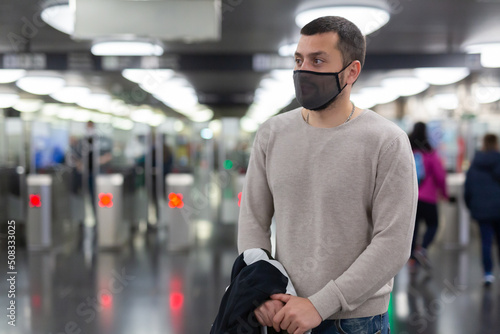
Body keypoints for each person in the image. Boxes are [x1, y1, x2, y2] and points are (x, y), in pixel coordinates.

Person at [238, 16, 417, 334]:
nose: (303, 70)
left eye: (317, 60)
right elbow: (253, 220)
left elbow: (393, 243)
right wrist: (259, 290)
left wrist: (321, 304)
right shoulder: (272, 133)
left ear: (352, 71)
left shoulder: (386, 141)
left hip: (356, 322)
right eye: (298, 59)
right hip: (284, 313)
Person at [407, 122, 448, 272]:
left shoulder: (407, 150)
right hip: (428, 196)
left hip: (411, 197)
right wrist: (444, 193)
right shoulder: (429, 152)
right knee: (433, 224)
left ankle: (412, 260)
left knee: (413, 228)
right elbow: (440, 176)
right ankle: (422, 249)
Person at [464, 133, 500, 286]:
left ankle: (488, 274)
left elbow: (468, 189)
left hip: (482, 210)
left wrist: (471, 206)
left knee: (485, 241)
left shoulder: (475, 163)